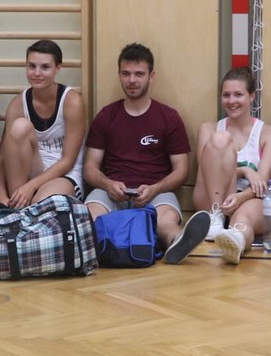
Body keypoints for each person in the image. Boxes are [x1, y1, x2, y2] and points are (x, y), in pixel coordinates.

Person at [82, 43, 209, 264]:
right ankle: (97, 247)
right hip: (111, 192)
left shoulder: (169, 117)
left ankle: (177, 242)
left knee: (165, 222)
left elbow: (182, 170)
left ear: (151, 76)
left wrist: (155, 189)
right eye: (126, 73)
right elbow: (90, 169)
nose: (132, 80)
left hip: (156, 193)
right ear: (119, 75)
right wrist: (108, 184)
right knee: (91, 218)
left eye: (139, 74)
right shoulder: (106, 116)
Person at [194, 67, 271, 265]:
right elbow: (207, 171)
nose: (231, 101)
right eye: (226, 95)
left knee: (242, 221)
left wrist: (240, 197)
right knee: (221, 139)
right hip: (211, 197)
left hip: (249, 197)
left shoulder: (270, 133)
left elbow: (262, 182)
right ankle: (215, 216)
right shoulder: (208, 129)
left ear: (251, 96)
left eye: (238, 95)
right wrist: (244, 170)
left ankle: (236, 242)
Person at [0, 39, 86, 209]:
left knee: (40, 206)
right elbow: (2, 159)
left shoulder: (72, 101)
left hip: (63, 174)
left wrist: (31, 187)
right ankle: (18, 207)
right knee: (19, 127)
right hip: (29, 172)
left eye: (45, 67)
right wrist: (0, 195)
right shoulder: (18, 104)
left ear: (57, 68)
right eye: (32, 66)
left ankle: (22, 208)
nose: (37, 73)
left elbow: (68, 161)